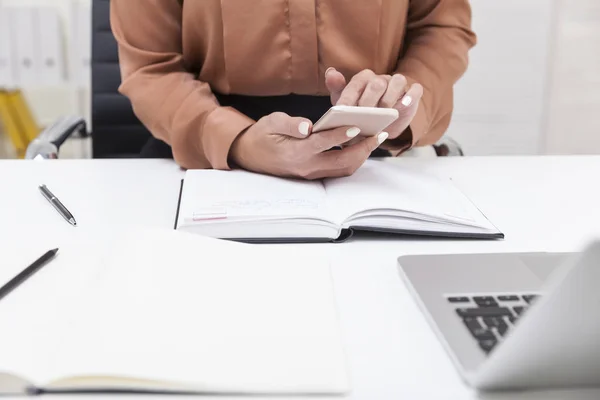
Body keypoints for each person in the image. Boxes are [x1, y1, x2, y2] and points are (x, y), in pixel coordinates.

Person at [111, 0, 476, 179]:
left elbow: (441, 28)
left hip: (371, 149)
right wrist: (236, 142)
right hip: (207, 152)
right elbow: (152, 66)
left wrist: (402, 101)